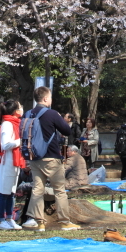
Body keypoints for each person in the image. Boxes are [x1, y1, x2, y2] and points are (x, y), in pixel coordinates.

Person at [21, 86, 80, 232]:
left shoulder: (28, 114)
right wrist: (59, 118)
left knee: (37, 189)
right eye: (50, 97)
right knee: (59, 190)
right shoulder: (52, 114)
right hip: (51, 157)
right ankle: (64, 221)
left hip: (34, 157)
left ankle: (40, 222)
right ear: (45, 98)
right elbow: (66, 130)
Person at [0, 99, 25, 230]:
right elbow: (5, 144)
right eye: (20, 106)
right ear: (15, 111)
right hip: (8, 162)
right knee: (4, 192)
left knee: (11, 192)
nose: (22, 108)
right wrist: (20, 141)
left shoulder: (16, 123)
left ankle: (9, 218)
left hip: (15, 162)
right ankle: (1, 219)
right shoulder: (7, 124)